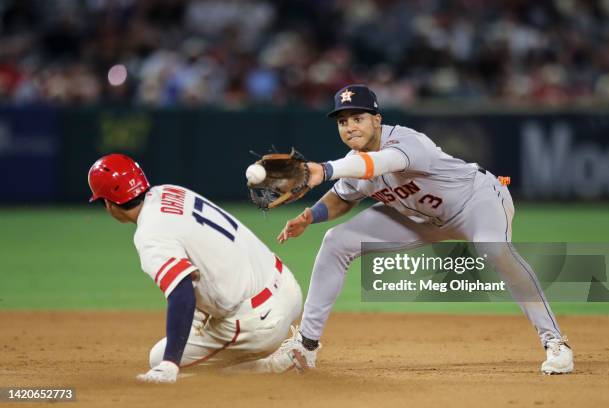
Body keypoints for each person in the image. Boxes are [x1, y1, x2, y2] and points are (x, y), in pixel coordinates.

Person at [259, 84, 574, 375]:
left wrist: (325, 169)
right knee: (337, 241)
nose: (351, 126)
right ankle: (306, 345)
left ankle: (555, 342)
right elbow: (343, 196)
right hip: (421, 219)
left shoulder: (407, 141)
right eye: (343, 122)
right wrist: (309, 217)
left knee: (494, 250)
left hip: (477, 202)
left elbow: (379, 165)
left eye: (358, 117)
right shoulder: (353, 162)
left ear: (377, 120)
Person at [87, 153, 303, 382]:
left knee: (159, 357)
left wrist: (170, 363)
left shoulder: (150, 235)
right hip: (288, 288)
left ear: (108, 204)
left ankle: (270, 366)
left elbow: (182, 294)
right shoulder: (170, 191)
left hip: (261, 323)